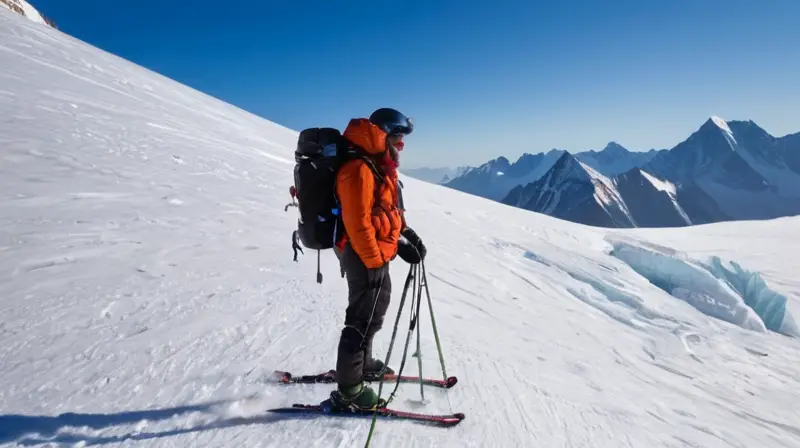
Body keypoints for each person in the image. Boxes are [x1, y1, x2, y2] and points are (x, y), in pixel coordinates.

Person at [329, 108, 427, 410]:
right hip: (362, 254)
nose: (401, 145)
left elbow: (387, 210)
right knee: (360, 317)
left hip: (375, 252)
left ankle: (364, 363)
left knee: (376, 309)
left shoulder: (378, 166)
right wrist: (374, 260)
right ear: (383, 134)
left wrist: (405, 237)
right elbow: (358, 223)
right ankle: (349, 391)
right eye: (398, 137)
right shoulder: (359, 168)